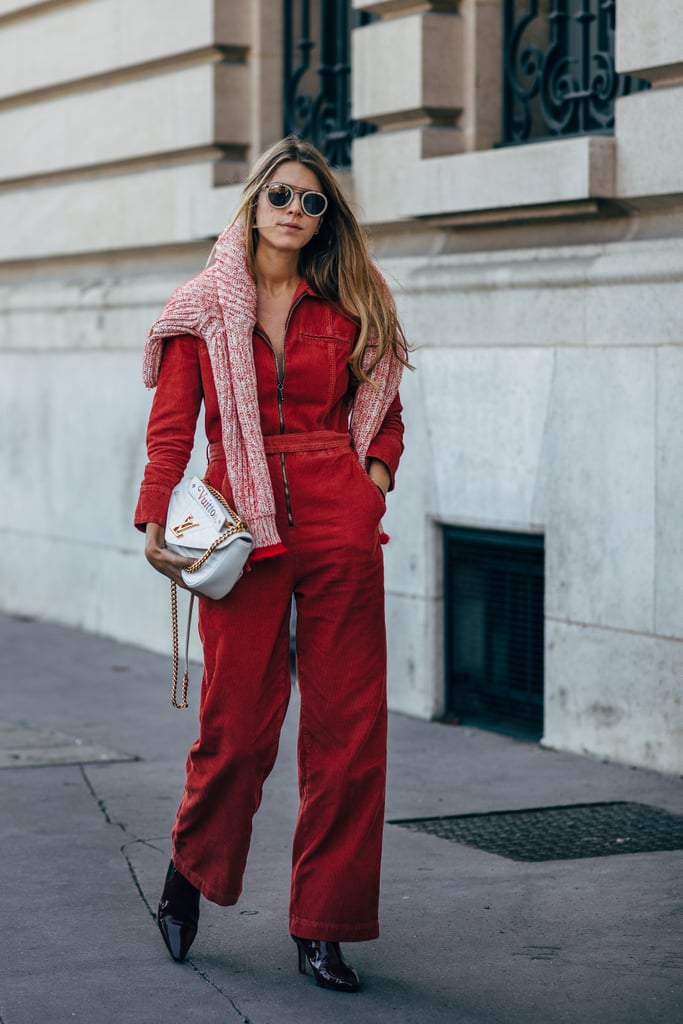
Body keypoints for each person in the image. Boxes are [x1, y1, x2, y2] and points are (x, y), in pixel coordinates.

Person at [134, 135, 410, 993]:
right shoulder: (203, 305)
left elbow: (385, 408)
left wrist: (370, 481)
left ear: (327, 218)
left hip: (338, 520)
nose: (296, 212)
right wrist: (154, 515)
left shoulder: (347, 303)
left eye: (313, 202)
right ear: (253, 202)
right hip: (240, 531)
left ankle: (323, 928)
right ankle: (191, 868)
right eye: (283, 196)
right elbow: (173, 424)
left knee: (349, 733)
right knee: (238, 728)